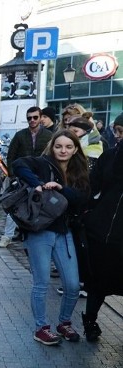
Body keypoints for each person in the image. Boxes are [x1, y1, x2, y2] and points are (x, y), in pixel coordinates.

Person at [12, 130, 90, 345]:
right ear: (52, 147)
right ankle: (41, 327)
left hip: (65, 232)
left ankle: (64, 323)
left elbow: (82, 200)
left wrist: (61, 188)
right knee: (42, 282)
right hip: (40, 229)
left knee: (73, 285)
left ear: (75, 149)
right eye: (58, 146)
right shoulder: (43, 163)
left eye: (68, 147)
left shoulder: (80, 171)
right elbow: (18, 164)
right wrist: (36, 182)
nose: (63, 151)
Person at [78, 113, 123, 343]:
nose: (118, 136)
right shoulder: (109, 156)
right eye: (118, 131)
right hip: (103, 230)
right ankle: (90, 321)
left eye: (121, 132)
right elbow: (92, 186)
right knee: (98, 282)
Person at [0, 107, 54, 248]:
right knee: (15, 204)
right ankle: (7, 236)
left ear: (40, 118)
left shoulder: (48, 135)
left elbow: (52, 156)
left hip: (41, 176)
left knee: (39, 206)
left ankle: (35, 236)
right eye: (29, 118)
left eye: (35, 117)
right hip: (22, 176)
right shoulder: (20, 135)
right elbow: (11, 155)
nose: (32, 120)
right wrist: (12, 174)